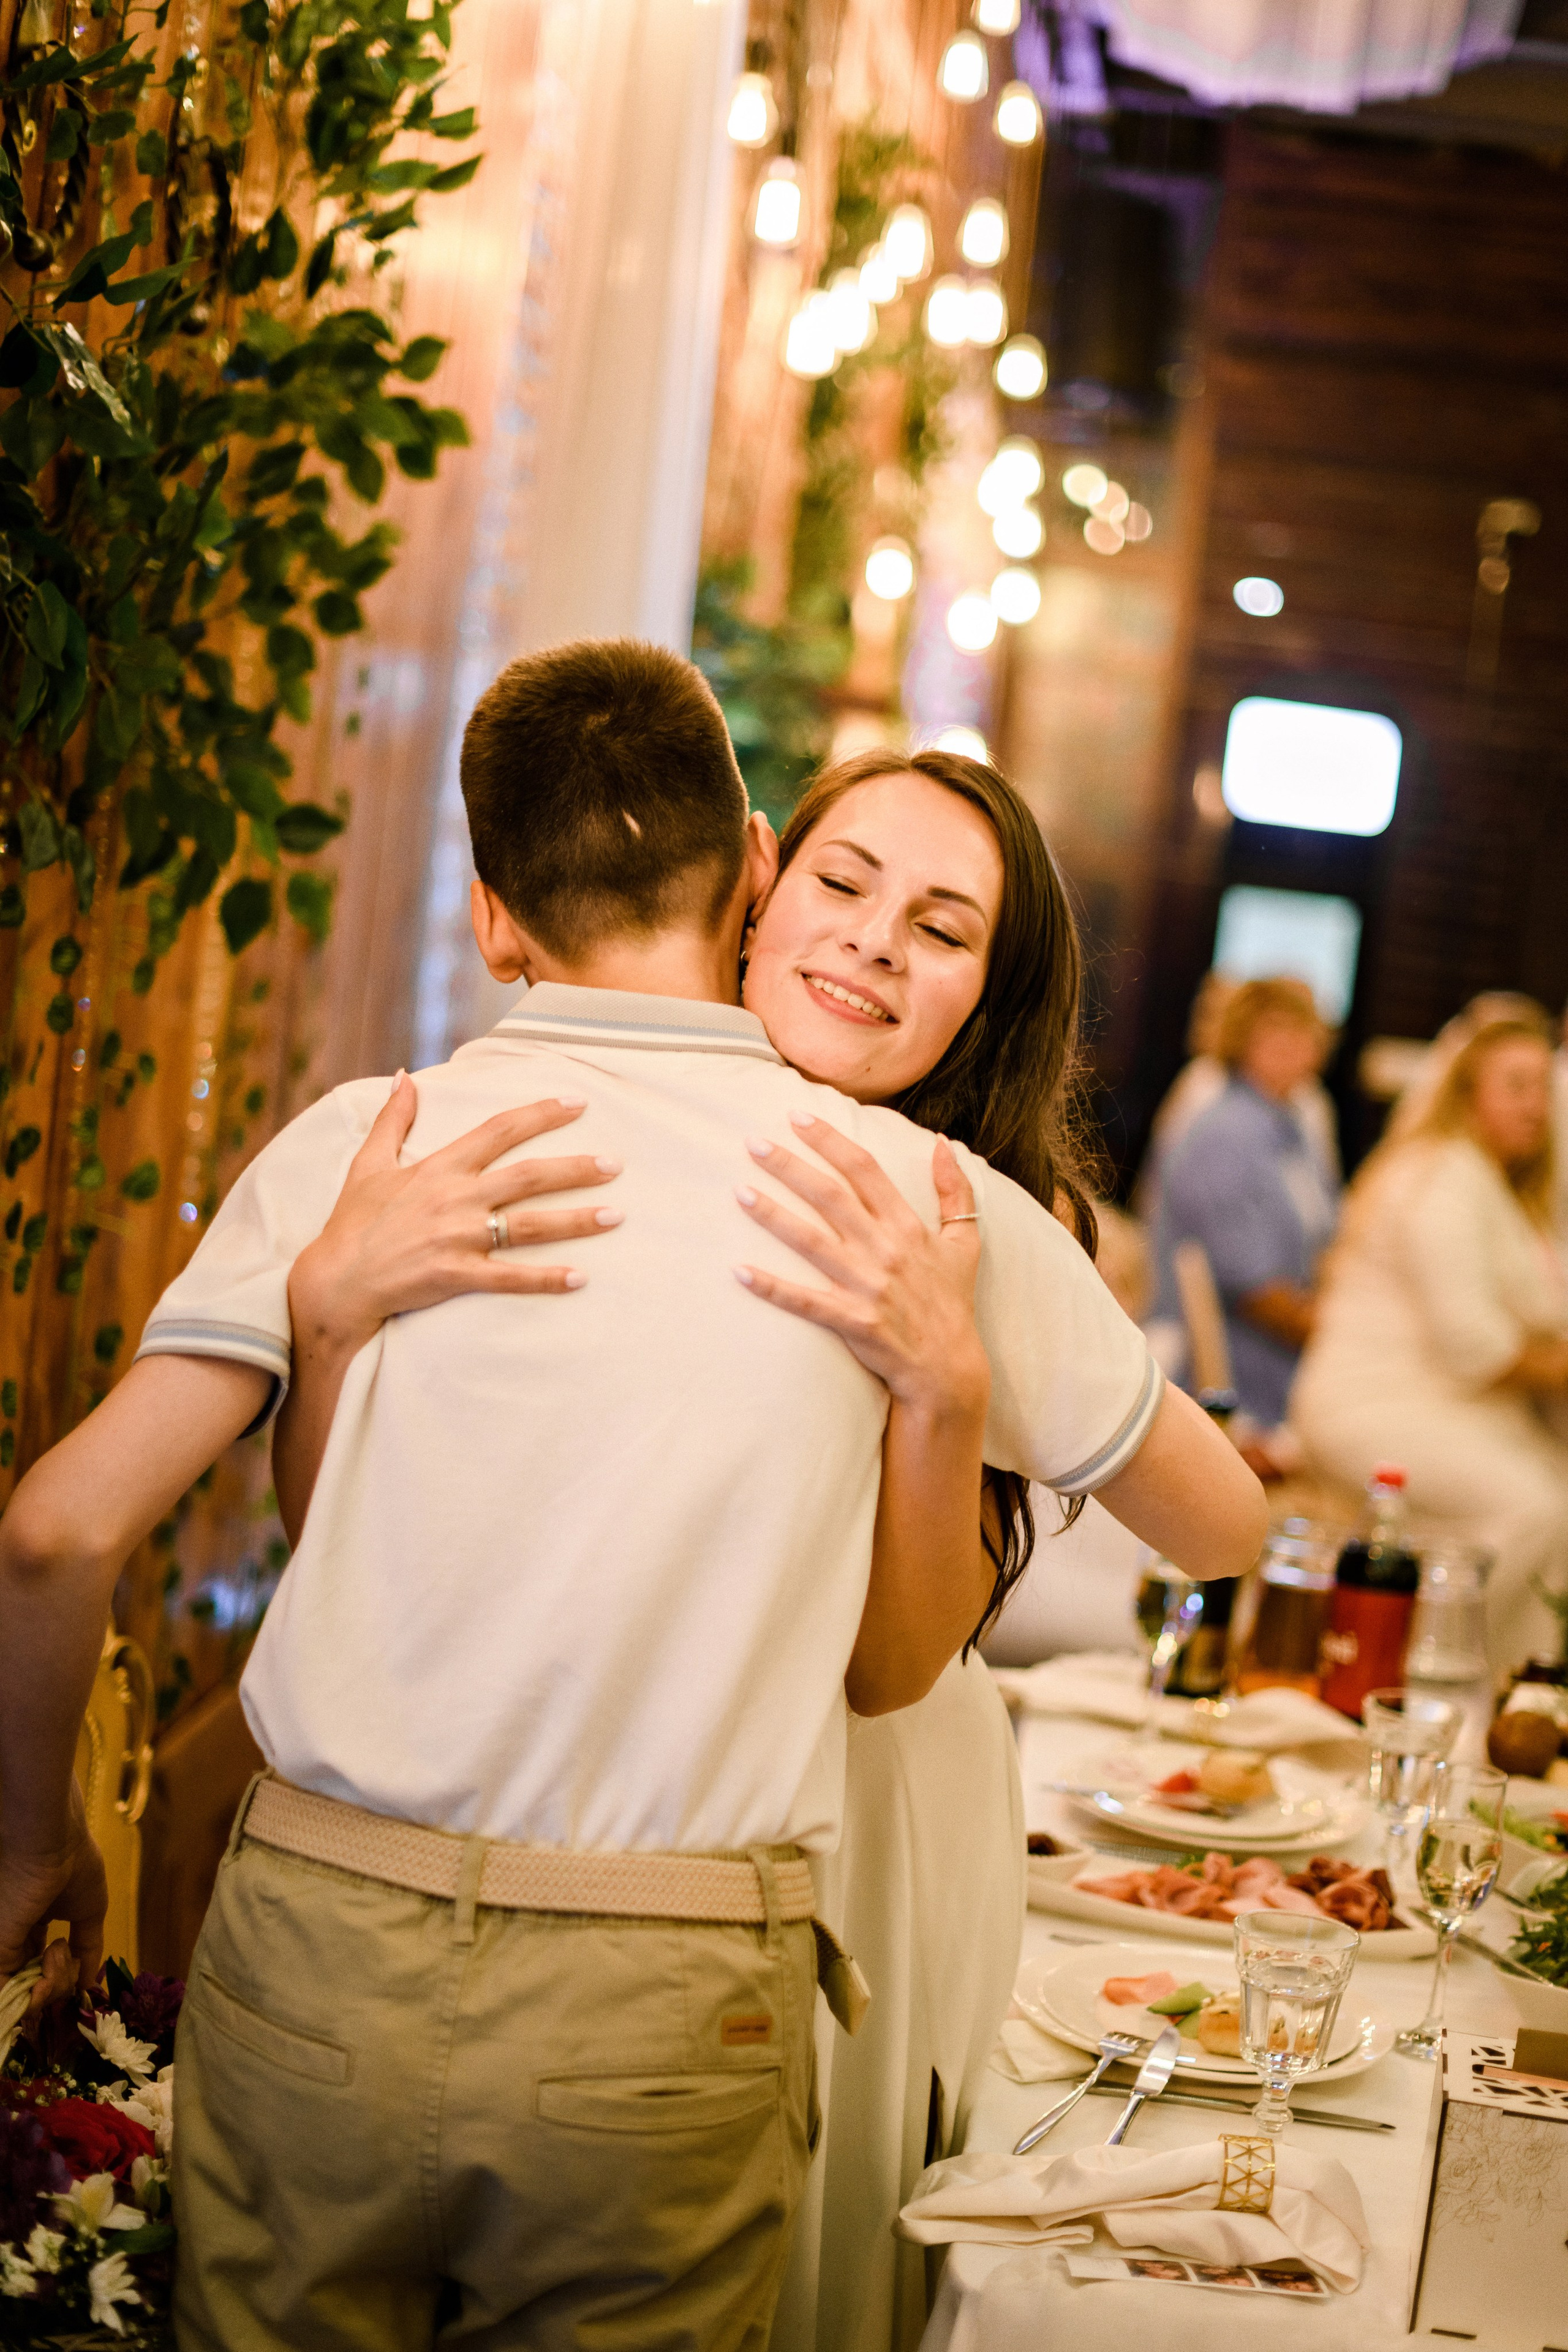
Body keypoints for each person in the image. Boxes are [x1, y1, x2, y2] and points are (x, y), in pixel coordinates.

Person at [0, 648, 1265, 2351]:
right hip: (668, 1958)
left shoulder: (384, 1138)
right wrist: (328, 1315)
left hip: (349, 1924)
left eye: (945, 928)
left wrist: (32, 1839)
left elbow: (61, 1529)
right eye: (842, 881)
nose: (875, 942)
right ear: (753, 871)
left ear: (492, 915)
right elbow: (1233, 1531)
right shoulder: (925, 1199)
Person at [1292, 1008, 1568, 1670]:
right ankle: (1445, 1674)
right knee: (1538, 1508)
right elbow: (1476, 1347)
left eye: (1542, 1087)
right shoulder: (1441, 1177)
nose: (1535, 1106)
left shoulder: (1490, 1183)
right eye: (1516, 1086)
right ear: (1469, 1092)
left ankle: (1515, 1687)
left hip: (1441, 1403)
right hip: (1372, 1409)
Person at [1153, 977, 1338, 1431]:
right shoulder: (1226, 1135)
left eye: (1303, 1032)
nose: (1292, 1046)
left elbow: (1328, 1237)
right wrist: (1345, 1337)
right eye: (1275, 1031)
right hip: (1236, 1373)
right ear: (1241, 1040)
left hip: (1293, 1347)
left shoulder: (1293, 1127)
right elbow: (1256, 1291)